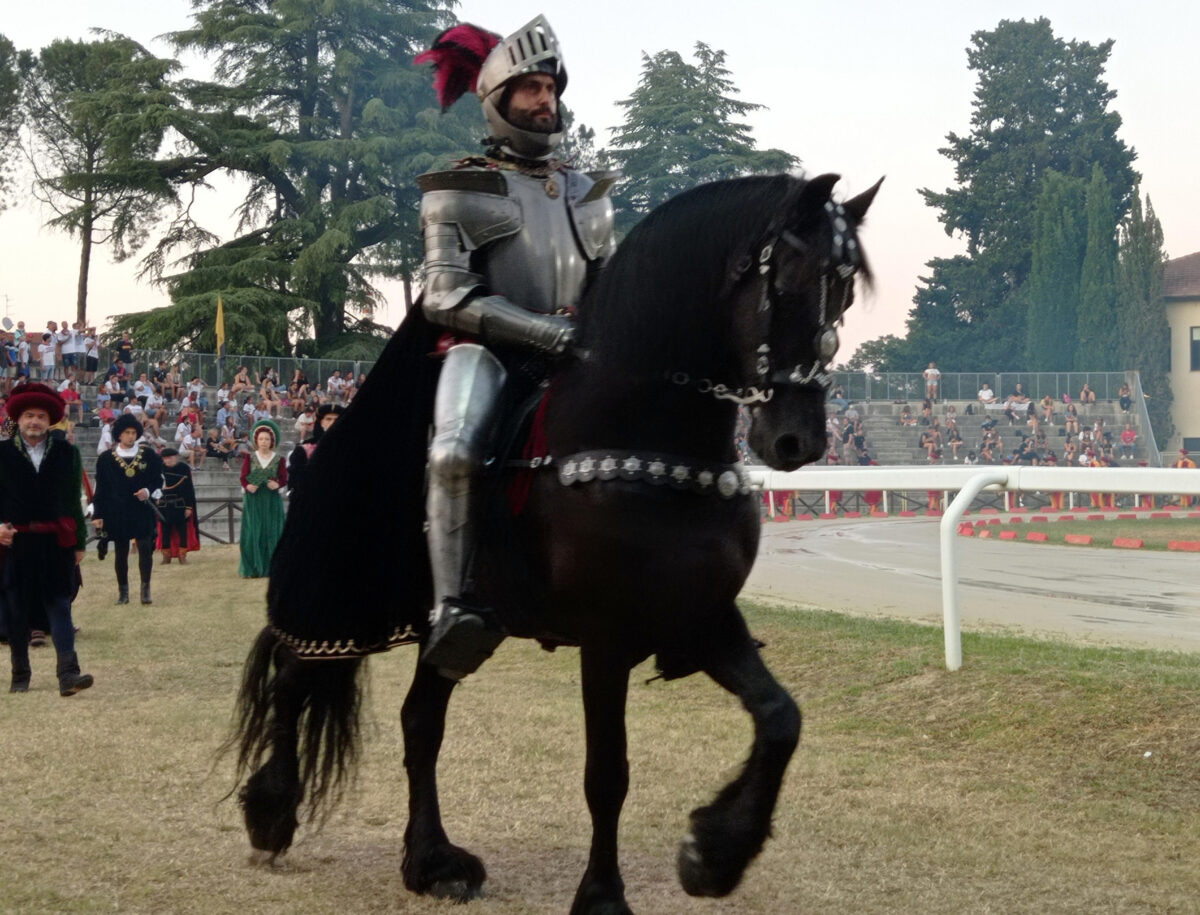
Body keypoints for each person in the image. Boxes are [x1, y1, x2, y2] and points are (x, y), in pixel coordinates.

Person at [412, 15, 616, 678]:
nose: (543, 99)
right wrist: (544, 329)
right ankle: (454, 607)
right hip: (484, 350)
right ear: (498, 100)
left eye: (549, 86)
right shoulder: (457, 189)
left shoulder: (589, 195)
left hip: (576, 351)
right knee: (453, 449)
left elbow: (607, 290)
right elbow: (444, 297)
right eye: (528, 87)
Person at [0, 383, 93, 695]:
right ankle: (20, 676)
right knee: (16, 610)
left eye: (40, 416)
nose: (34, 422)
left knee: (60, 606)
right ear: (19, 418)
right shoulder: (1, 453)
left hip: (55, 543)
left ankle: (69, 674)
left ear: (50, 420)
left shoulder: (68, 453)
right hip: (15, 544)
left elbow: (73, 499)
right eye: (29, 415)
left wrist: (79, 542)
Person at [92, 415, 164, 605]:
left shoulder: (149, 455)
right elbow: (101, 488)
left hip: (142, 510)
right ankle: (123, 593)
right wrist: (98, 513)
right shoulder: (106, 459)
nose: (131, 437)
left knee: (145, 550)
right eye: (127, 433)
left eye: (133, 433)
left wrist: (148, 491)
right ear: (119, 435)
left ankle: (145, 590)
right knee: (121, 553)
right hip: (117, 511)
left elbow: (158, 479)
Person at [239, 418, 287, 578]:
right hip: (255, 499)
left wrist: (278, 485)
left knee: (273, 530)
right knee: (254, 530)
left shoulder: (279, 459)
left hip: (271, 498)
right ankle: (253, 567)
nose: (264, 442)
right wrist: (248, 486)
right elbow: (244, 477)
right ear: (256, 440)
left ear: (272, 440)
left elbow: (283, 478)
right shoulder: (250, 458)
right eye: (261, 439)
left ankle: (273, 566)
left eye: (267, 439)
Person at [287, 403, 343, 497]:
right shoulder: (304, 450)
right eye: (328, 419)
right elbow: (295, 482)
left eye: (336, 419)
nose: (332, 423)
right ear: (321, 422)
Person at [156, 448, 198, 564]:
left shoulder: (183, 468)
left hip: (180, 504)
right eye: (165, 458)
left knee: (182, 531)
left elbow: (189, 489)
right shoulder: (160, 469)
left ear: (176, 457)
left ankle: (182, 556)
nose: (167, 460)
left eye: (170, 457)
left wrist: (189, 507)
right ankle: (166, 556)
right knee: (165, 530)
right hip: (164, 504)